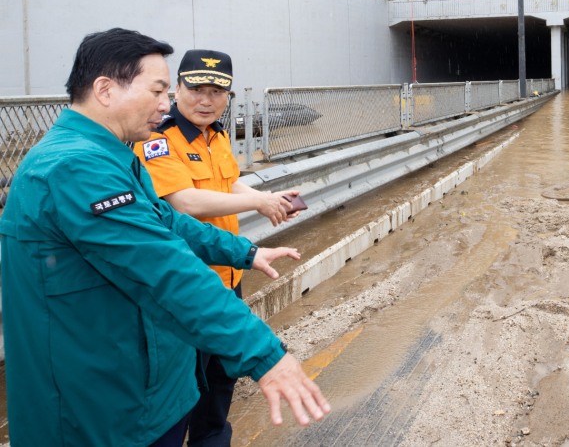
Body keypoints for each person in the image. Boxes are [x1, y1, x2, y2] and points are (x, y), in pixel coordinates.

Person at [0, 28, 329, 446]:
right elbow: (164, 269)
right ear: (105, 90)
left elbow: (169, 224)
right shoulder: (76, 169)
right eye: (158, 90)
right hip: (102, 415)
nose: (164, 104)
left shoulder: (110, 155)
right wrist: (265, 356)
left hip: (143, 391)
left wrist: (244, 252)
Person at [136, 49, 302, 446]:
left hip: (227, 277)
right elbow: (184, 202)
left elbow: (226, 184)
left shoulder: (217, 135)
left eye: (217, 91)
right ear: (176, 88)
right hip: (188, 285)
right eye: (196, 89)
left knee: (220, 381)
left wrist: (270, 196)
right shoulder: (159, 139)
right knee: (184, 389)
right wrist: (258, 203)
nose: (206, 100)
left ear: (228, 96)